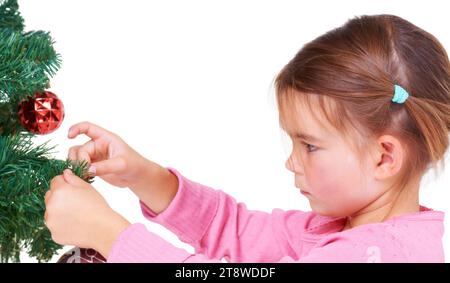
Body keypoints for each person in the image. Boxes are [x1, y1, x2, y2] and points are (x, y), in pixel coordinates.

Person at [44, 14, 450, 262]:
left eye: (309, 145)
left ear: (384, 158)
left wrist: (109, 236)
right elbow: (235, 231)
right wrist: (145, 176)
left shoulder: (376, 257)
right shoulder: (346, 229)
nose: (291, 161)